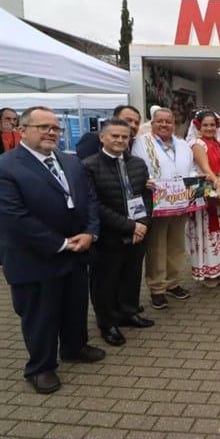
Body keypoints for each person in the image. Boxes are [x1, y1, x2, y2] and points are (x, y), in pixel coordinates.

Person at [0, 106, 105, 394]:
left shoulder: (69, 161)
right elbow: (13, 217)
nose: (51, 132)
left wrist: (91, 232)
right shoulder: (6, 166)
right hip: (34, 257)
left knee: (75, 305)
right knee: (40, 314)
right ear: (22, 130)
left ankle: (74, 347)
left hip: (77, 249)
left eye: (55, 128)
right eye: (43, 127)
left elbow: (90, 199)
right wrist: (60, 243)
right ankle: (41, 367)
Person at [82, 118, 154, 347]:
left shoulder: (139, 164)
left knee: (131, 276)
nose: (120, 140)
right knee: (106, 280)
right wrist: (128, 225)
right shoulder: (89, 165)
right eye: (115, 136)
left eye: (124, 136)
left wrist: (142, 223)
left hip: (137, 232)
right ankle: (107, 323)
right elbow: (94, 205)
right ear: (102, 137)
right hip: (109, 235)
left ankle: (128, 312)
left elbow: (145, 196)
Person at [132, 107, 195, 310]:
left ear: (174, 124)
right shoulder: (142, 143)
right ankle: (157, 288)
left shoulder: (183, 144)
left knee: (177, 245)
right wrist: (145, 181)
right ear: (152, 123)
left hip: (180, 202)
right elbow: (136, 169)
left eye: (168, 121)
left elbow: (191, 169)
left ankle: (173, 283)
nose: (164, 125)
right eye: (160, 121)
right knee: (157, 246)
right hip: (157, 203)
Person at [187, 109, 220, 288]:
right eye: (205, 125)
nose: (209, 128)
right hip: (206, 193)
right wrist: (218, 184)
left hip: (219, 193)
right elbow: (205, 169)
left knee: (219, 232)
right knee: (208, 232)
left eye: (212, 125)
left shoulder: (218, 142)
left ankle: (218, 267)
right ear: (198, 127)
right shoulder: (198, 144)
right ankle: (207, 271)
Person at [75, 105, 142, 160]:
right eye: (128, 120)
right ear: (114, 119)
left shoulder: (135, 144)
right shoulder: (92, 139)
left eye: (137, 123)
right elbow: (84, 168)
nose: (133, 125)